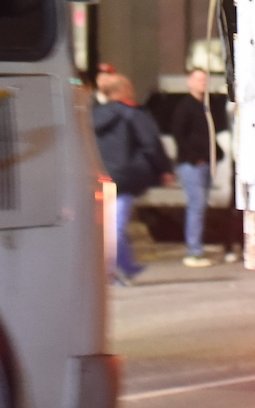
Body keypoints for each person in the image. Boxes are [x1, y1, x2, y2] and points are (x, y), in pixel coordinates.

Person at [92, 74, 169, 285]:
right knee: (116, 227)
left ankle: (126, 266)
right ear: (123, 90)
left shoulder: (92, 116)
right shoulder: (132, 114)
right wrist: (163, 169)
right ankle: (113, 271)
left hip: (99, 176)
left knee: (109, 225)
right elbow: (151, 143)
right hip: (125, 177)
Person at [168, 68, 226, 268]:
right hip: (192, 164)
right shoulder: (185, 106)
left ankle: (197, 246)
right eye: (199, 79)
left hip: (206, 162)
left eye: (205, 80)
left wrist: (216, 154)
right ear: (190, 82)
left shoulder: (206, 107)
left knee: (200, 206)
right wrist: (195, 157)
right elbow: (178, 134)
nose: (203, 83)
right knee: (196, 205)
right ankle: (193, 251)